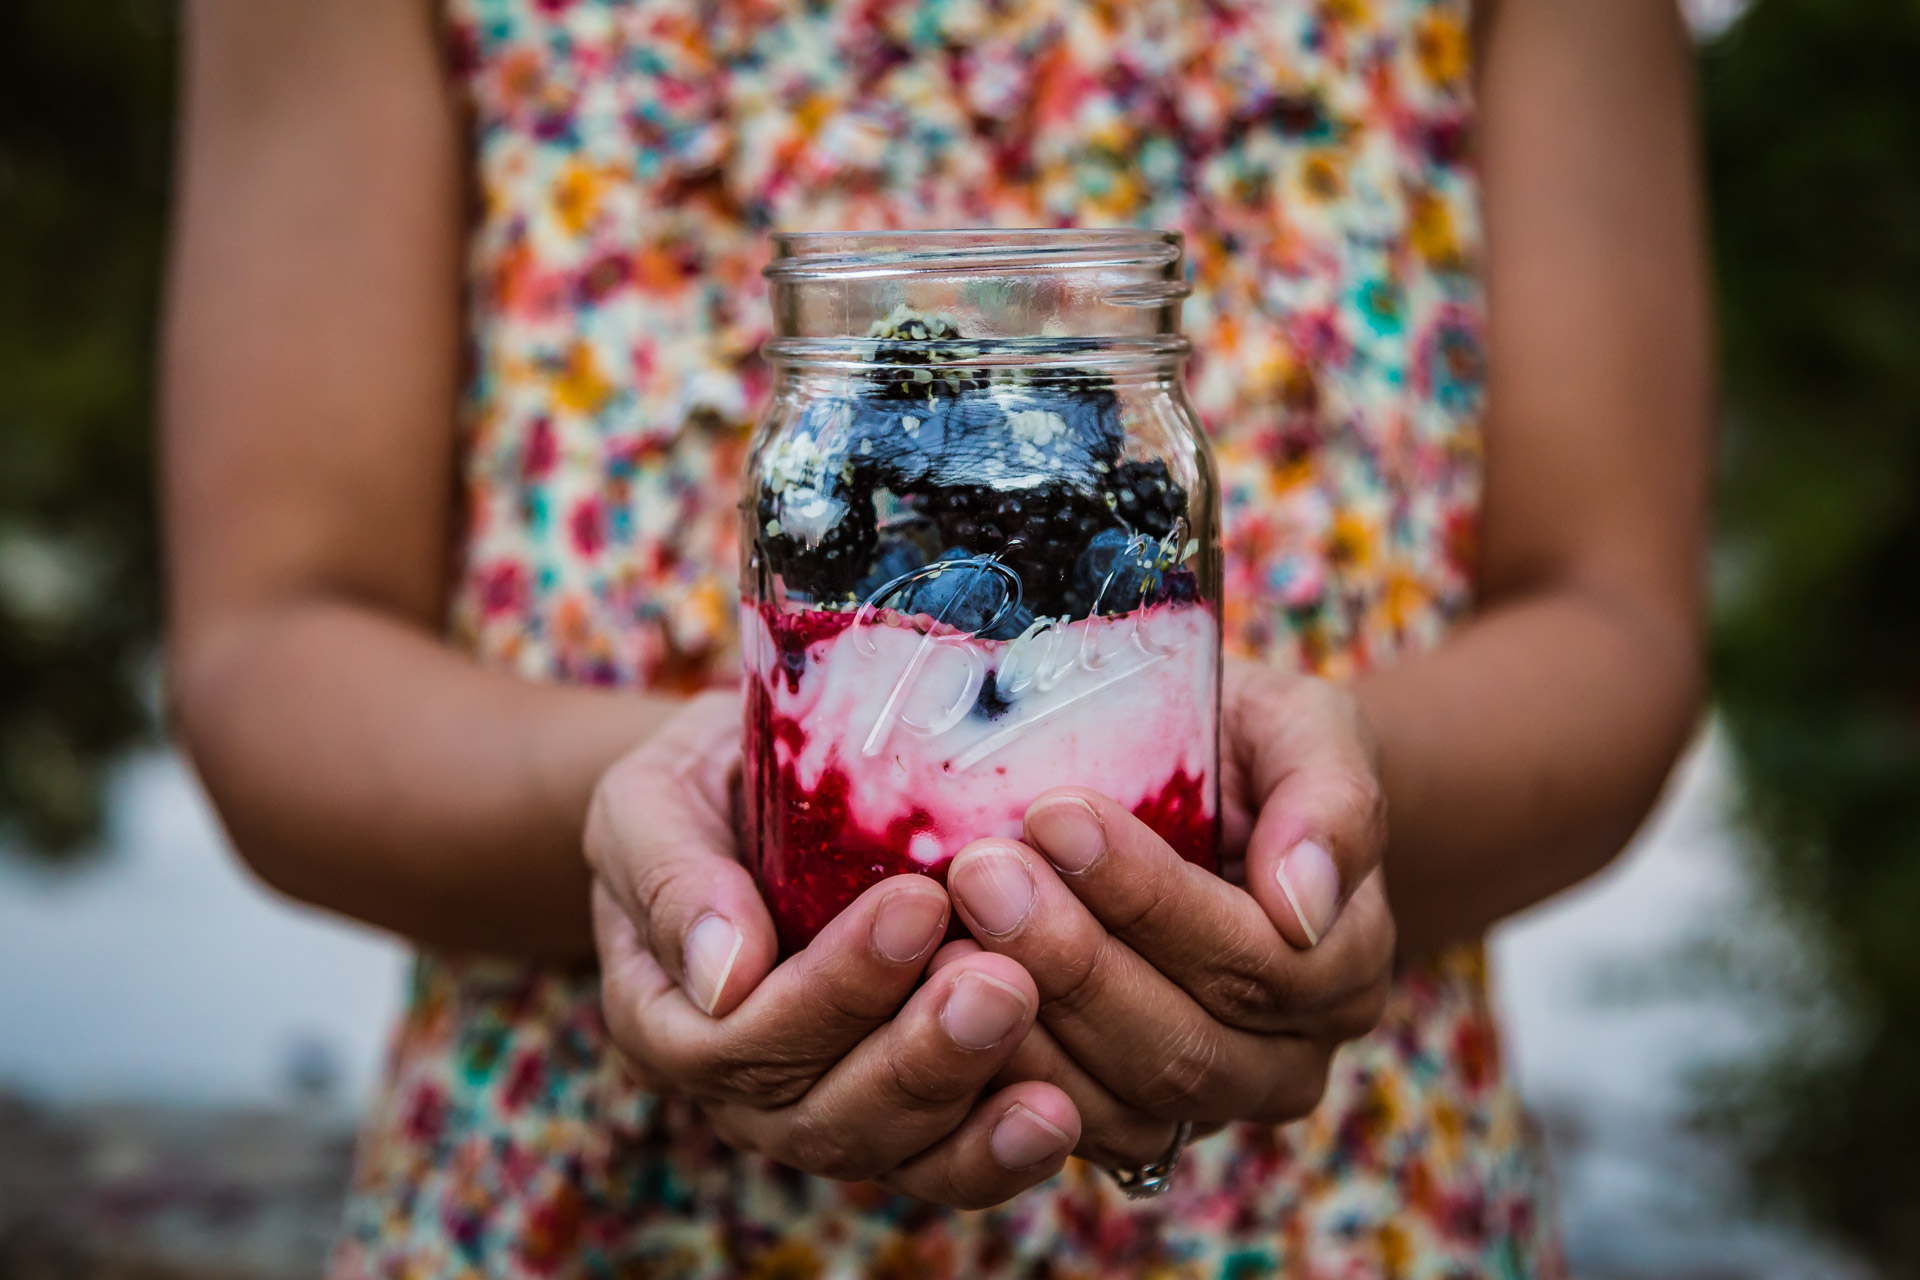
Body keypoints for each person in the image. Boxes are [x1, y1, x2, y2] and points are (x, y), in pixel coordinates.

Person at [161, 0, 1711, 1273]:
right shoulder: (818, 453)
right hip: (608, 1195)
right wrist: (706, 820)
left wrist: (1311, 834)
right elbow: (267, 659)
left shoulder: (1138, 428)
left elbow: (1619, 623)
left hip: (1331, 1184)